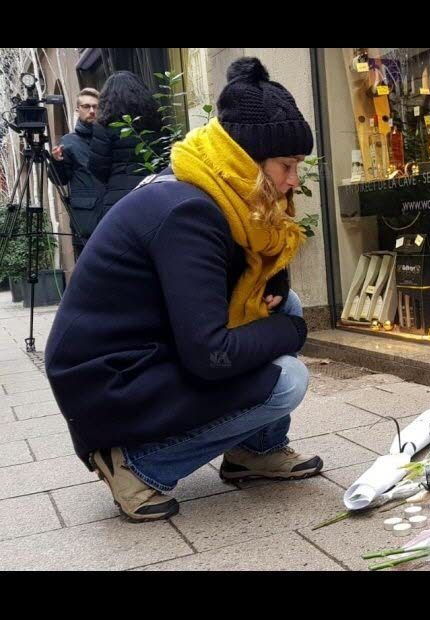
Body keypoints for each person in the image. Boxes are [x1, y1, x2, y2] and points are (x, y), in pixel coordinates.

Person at [45, 57, 321, 522]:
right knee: (288, 379)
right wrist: (293, 332)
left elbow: (246, 269)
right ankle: (136, 466)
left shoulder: (217, 188)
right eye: (286, 165)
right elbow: (210, 354)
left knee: (281, 303)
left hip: (149, 348)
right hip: (108, 377)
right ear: (245, 159)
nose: (293, 180)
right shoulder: (187, 213)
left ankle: (253, 451)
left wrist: (273, 281)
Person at [87, 71, 162, 220]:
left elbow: (98, 167)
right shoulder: (156, 121)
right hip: (156, 191)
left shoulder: (104, 127)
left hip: (119, 199)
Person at [51, 87, 105, 257]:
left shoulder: (108, 137)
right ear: (77, 110)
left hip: (111, 216)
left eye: (95, 107)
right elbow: (60, 180)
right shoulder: (68, 142)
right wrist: (57, 162)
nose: (91, 111)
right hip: (84, 222)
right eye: (87, 106)